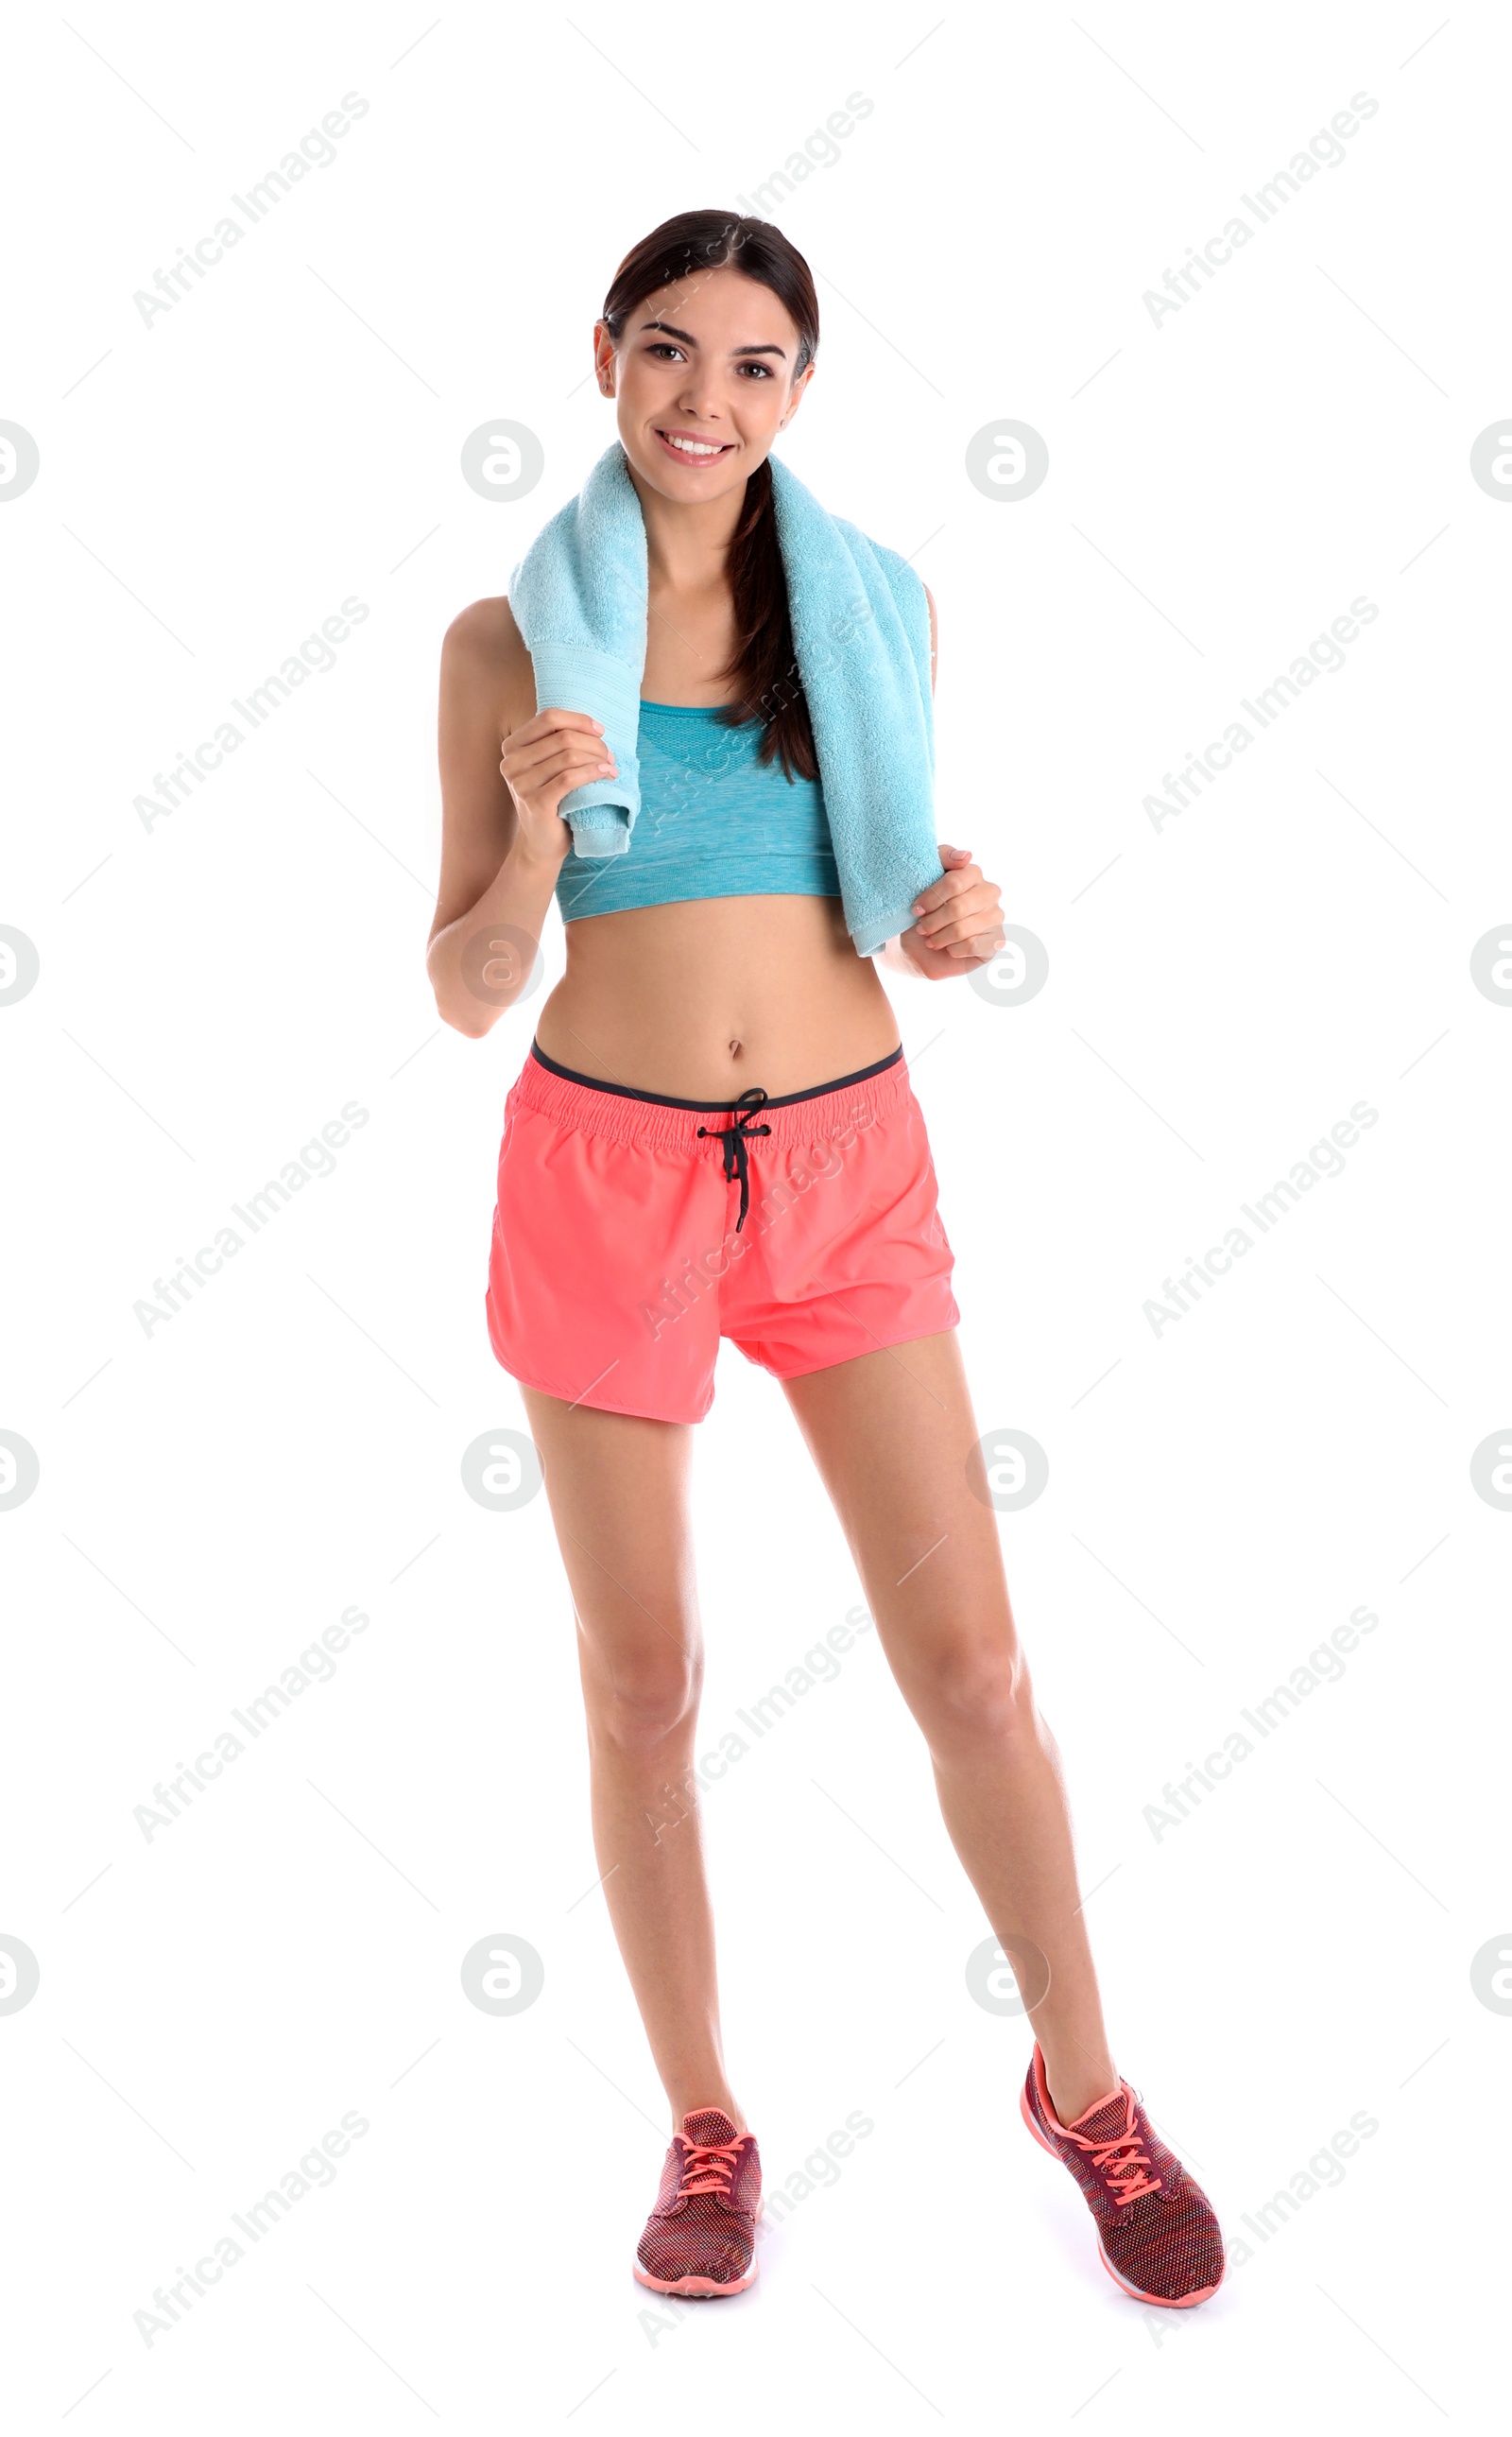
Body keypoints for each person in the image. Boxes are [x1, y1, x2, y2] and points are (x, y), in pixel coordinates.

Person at [427, 211, 1224, 2309]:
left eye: (754, 364)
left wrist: (956, 926)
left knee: (969, 1663)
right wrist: (525, 838)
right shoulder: (503, 648)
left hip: (844, 1158)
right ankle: (705, 2123)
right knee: (645, 1680)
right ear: (602, 355)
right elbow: (459, 984)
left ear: (799, 389)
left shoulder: (870, 610)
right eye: (670, 351)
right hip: (602, 1171)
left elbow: (900, 905)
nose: (707, 398)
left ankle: (1088, 2090)